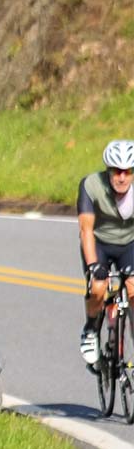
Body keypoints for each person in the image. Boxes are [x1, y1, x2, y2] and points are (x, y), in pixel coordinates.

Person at [78, 139, 134, 366]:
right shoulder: (91, 186)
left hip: (130, 243)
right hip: (99, 243)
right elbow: (86, 230)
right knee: (99, 287)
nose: (121, 178)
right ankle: (91, 329)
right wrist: (94, 266)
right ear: (108, 171)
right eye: (116, 171)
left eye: (127, 172)